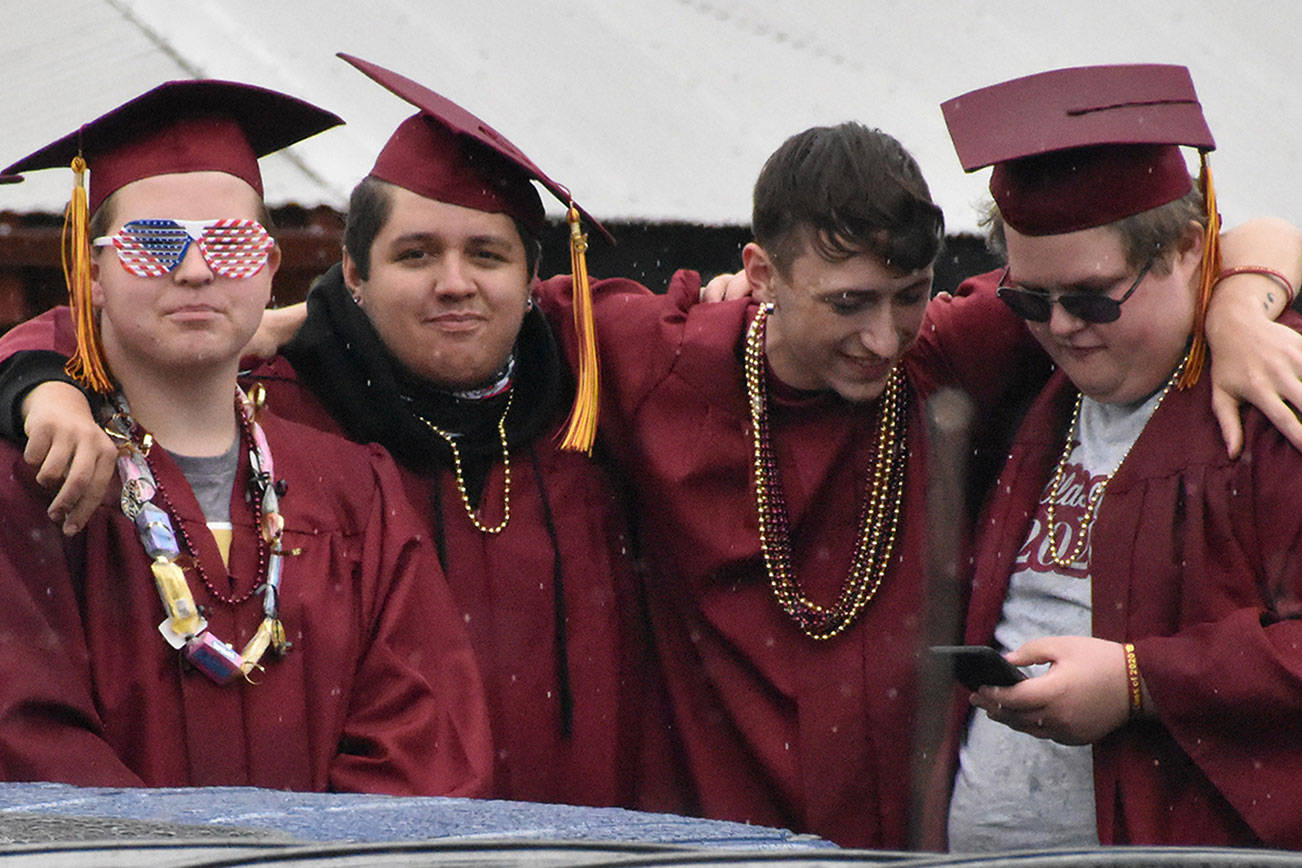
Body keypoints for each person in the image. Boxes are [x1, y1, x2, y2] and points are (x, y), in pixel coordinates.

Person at [0, 56, 643, 808]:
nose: (198, 270)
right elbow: (26, 737)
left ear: (271, 269)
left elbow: (419, 743)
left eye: (231, 242)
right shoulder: (29, 482)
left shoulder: (353, 490)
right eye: (154, 243)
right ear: (90, 271)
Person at [931, 64, 1302, 850]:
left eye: (1093, 298)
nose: (1062, 327)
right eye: (1031, 299)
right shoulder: (1033, 381)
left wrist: (1141, 681)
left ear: (1187, 249)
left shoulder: (1275, 393)